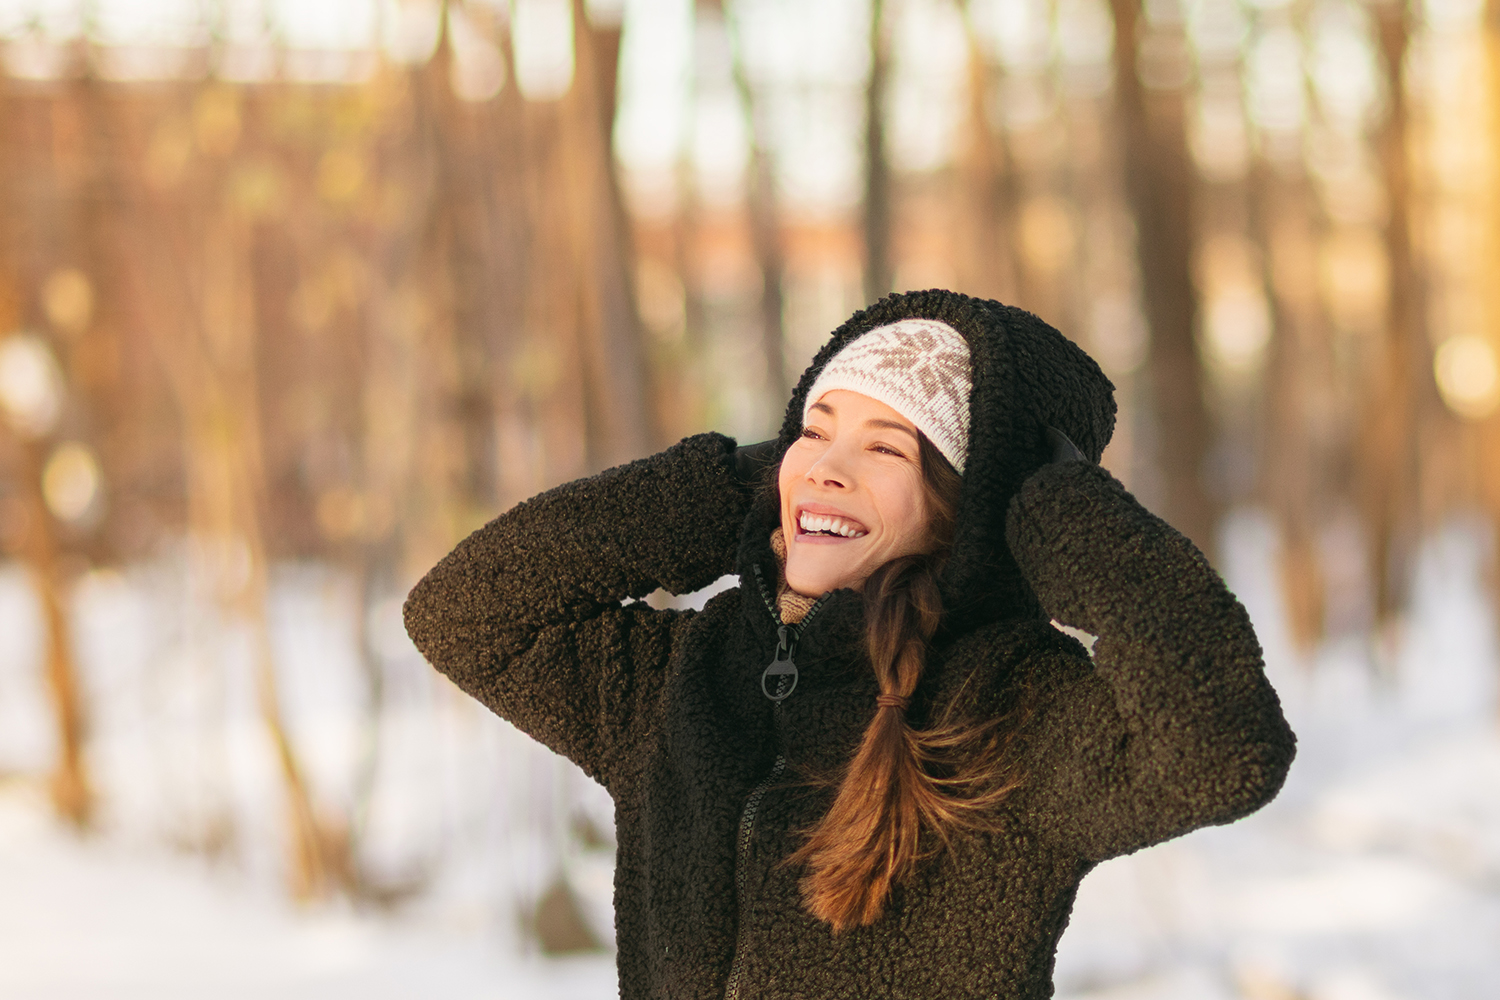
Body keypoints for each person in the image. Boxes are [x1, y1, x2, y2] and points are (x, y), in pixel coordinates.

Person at [404, 290, 1296, 999]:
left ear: (965, 507)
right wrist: (737, 488)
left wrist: (1060, 510)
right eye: (815, 429)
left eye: (887, 449)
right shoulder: (684, 678)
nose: (827, 465)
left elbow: (1221, 749)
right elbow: (466, 614)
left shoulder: (1009, 710)